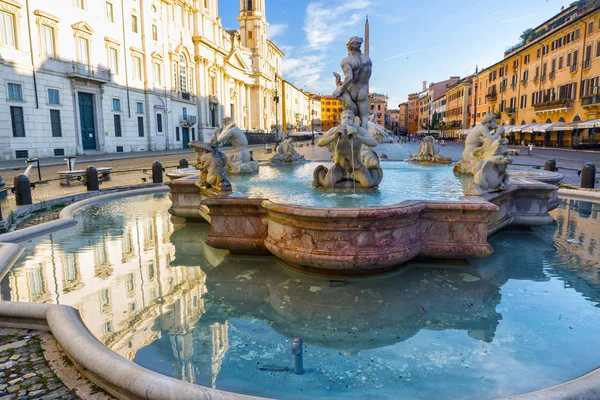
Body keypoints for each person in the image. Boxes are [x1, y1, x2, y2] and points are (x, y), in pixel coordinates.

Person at [332, 37, 372, 129]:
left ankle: (349, 139)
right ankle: (363, 141)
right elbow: (368, 76)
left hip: (352, 91)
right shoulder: (367, 59)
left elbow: (349, 78)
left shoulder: (346, 61)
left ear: (348, 48)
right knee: (364, 119)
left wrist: (339, 90)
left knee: (348, 118)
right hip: (363, 91)